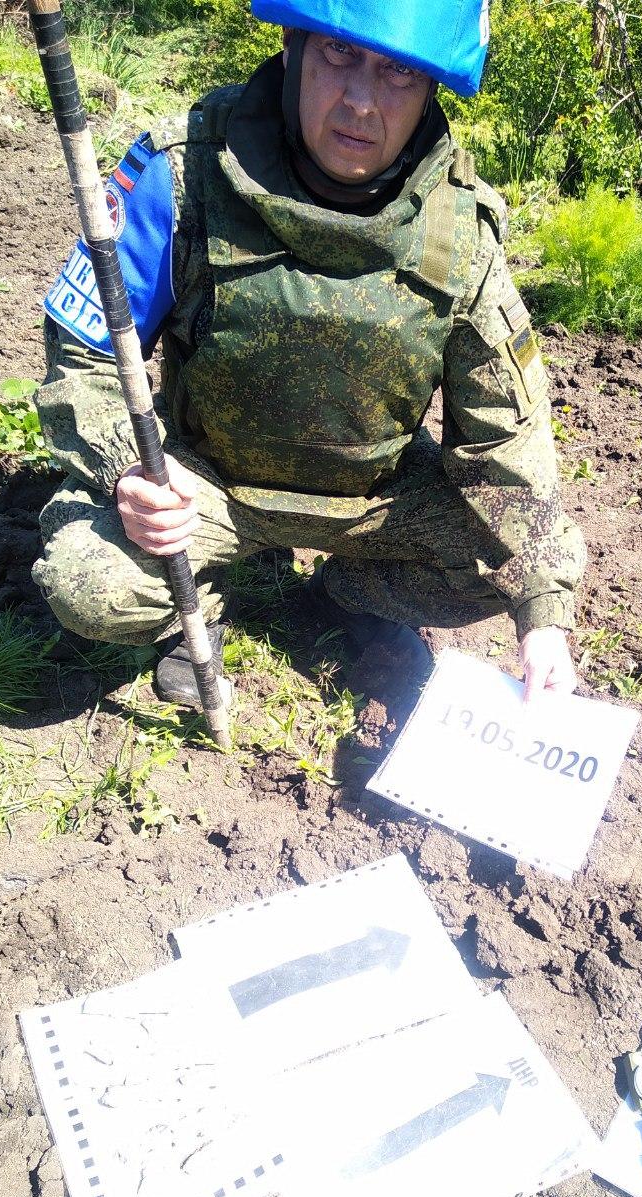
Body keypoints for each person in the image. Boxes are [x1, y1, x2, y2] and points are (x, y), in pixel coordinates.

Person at [32, 0, 586, 708]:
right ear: (293, 48)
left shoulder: (461, 230)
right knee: (91, 584)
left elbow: (505, 436)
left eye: (399, 73)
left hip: (375, 499)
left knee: (517, 560)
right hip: (205, 482)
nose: (362, 102)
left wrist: (542, 616)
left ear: (430, 90)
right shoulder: (185, 175)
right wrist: (128, 472)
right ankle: (195, 602)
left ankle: (352, 595)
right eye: (338, 52)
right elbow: (85, 352)